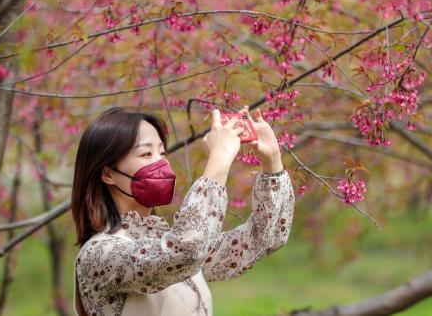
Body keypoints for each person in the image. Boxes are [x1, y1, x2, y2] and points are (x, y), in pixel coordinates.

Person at [71, 105, 294, 315]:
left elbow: (264, 238)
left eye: (162, 152)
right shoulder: (99, 255)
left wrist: (272, 162)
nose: (161, 163)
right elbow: (185, 252)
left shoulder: (166, 243)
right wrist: (219, 159)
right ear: (108, 174)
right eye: (146, 154)